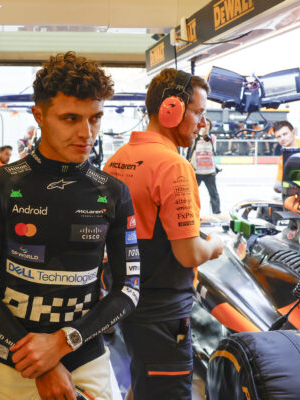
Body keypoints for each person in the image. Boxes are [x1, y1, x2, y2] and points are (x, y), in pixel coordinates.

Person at [0, 51, 139, 400]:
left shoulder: (114, 191)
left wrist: (61, 343)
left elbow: (128, 288)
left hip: (86, 359)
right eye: (71, 118)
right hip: (8, 364)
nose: (86, 133)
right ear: (38, 115)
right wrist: (39, 361)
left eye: (95, 118)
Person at [104, 68, 224, 399]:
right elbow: (188, 253)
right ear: (171, 109)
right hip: (163, 308)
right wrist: (215, 245)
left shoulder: (118, 159)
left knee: (142, 382)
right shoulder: (173, 166)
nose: (202, 123)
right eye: (199, 113)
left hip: (128, 301)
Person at [188, 119, 221, 214]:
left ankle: (217, 213)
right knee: (191, 194)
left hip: (209, 172)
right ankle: (191, 211)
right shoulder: (195, 137)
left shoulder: (213, 138)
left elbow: (213, 151)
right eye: (204, 124)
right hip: (196, 171)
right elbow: (190, 151)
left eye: (208, 125)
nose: (206, 126)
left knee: (214, 194)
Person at [273, 120, 297, 193]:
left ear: (293, 132)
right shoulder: (282, 159)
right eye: (278, 136)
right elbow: (278, 185)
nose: (282, 138)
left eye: (285, 134)